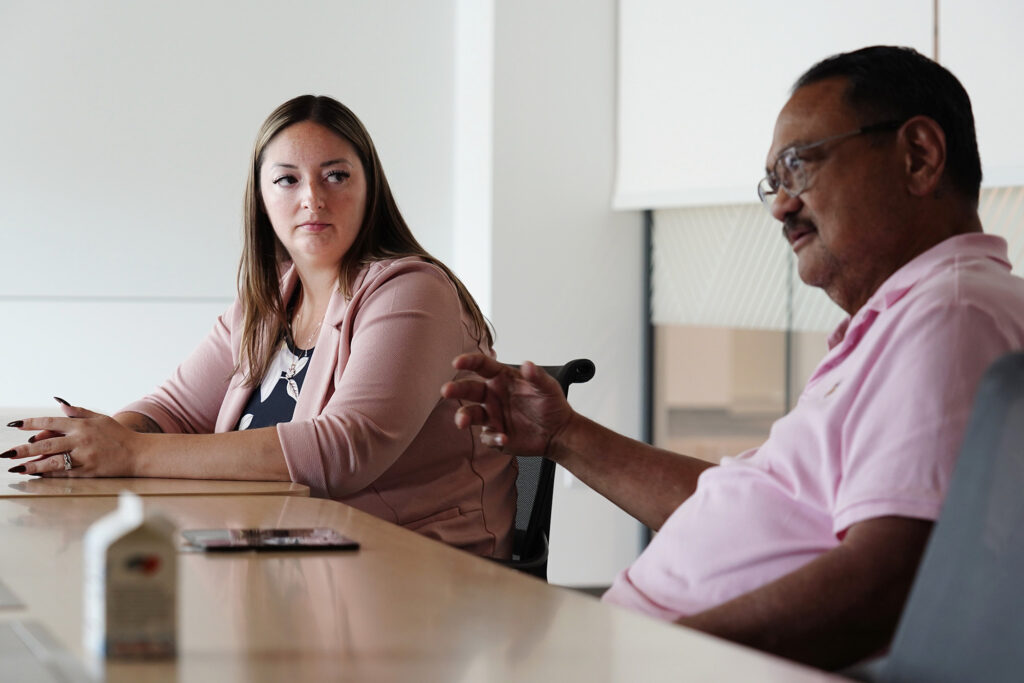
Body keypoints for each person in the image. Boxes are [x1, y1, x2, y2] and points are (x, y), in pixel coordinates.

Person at [441, 46, 1024, 667]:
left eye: (797, 167)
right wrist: (562, 435)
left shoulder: (951, 316)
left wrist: (643, 653)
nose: (780, 205)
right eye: (773, 182)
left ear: (919, 157)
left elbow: (886, 583)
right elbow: (746, 509)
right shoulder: (912, 319)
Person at [4, 95, 516, 558]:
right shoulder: (268, 301)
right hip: (288, 550)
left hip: (414, 563)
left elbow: (346, 449)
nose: (312, 197)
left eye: (336, 175)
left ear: (370, 189)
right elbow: (175, 409)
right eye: (287, 179)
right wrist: (99, 438)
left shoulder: (411, 290)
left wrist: (132, 454)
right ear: (262, 198)